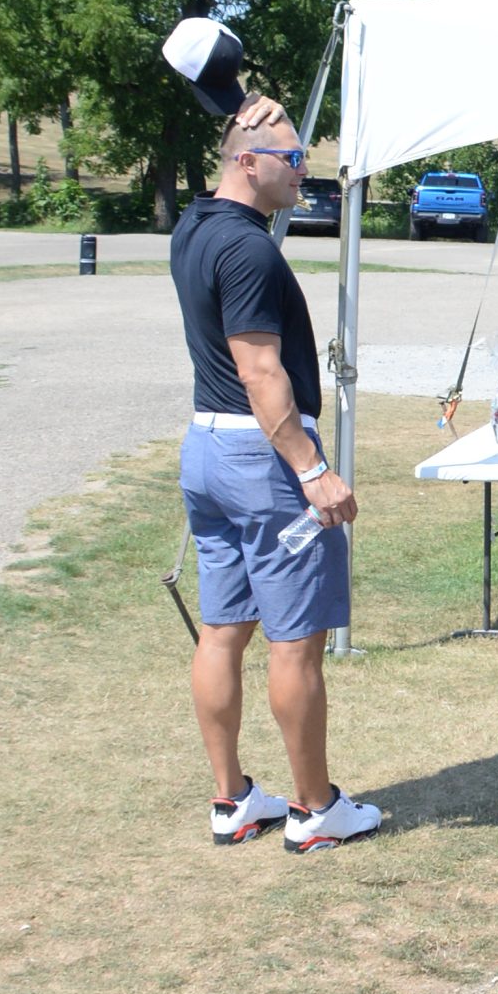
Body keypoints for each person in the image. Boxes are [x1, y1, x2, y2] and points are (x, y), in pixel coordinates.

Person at [170, 104, 382, 854]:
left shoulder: (195, 227)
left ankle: (232, 800)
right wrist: (313, 470)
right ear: (247, 162)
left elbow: (234, 133)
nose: (304, 171)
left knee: (223, 630)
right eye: (292, 158)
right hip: (262, 461)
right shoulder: (249, 251)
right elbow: (261, 372)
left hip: (207, 450)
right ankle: (314, 809)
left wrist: (243, 98)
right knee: (296, 642)